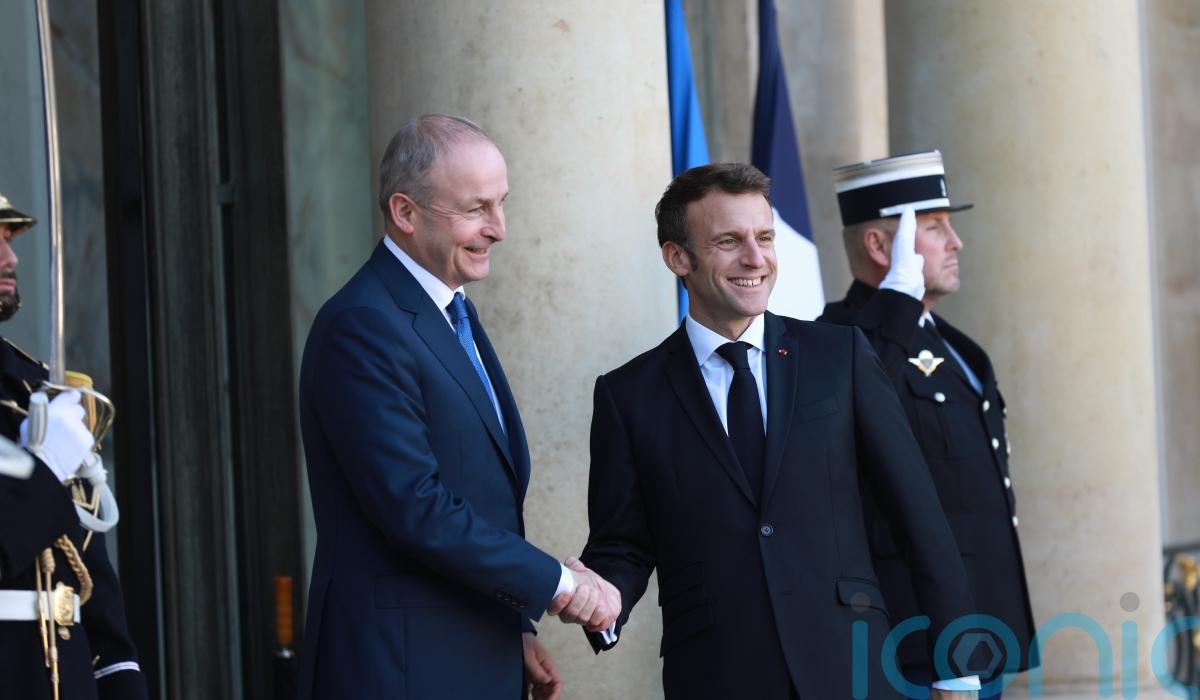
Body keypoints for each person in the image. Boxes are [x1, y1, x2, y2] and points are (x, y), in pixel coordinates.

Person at [578, 163, 980, 699]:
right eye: (729, 241)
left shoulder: (840, 356)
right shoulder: (628, 394)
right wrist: (599, 597)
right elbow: (622, 544)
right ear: (677, 257)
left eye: (764, 238)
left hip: (853, 668)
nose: (755, 258)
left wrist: (956, 667)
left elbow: (918, 515)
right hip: (716, 676)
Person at [297, 115, 618, 700]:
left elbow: (479, 494)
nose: (499, 229)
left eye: (501, 204)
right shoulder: (362, 325)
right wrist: (560, 585)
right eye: (475, 209)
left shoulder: (451, 310)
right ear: (405, 212)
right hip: (399, 671)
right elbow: (415, 506)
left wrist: (513, 628)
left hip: (469, 654)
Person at [818, 150, 1037, 698]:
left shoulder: (954, 345)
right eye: (935, 228)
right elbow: (848, 405)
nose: (955, 242)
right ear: (880, 247)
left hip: (975, 627)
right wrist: (896, 298)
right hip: (910, 636)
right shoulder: (836, 339)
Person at [0, 192, 148, 699]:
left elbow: (93, 595)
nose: (10, 257)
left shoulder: (34, 388)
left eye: (8, 239)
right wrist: (43, 471)